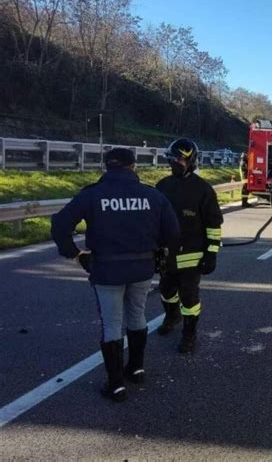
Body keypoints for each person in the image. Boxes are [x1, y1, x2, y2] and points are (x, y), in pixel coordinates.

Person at [51, 148, 180, 402]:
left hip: (107, 270)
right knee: (137, 315)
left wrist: (76, 254)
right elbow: (173, 232)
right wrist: (155, 248)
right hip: (142, 268)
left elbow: (59, 225)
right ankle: (137, 367)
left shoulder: (92, 195)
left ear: (107, 167)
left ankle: (116, 383)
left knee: (112, 323)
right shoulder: (151, 195)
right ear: (133, 167)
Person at [155, 138, 223, 354]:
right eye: (171, 159)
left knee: (189, 297)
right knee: (166, 290)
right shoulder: (163, 186)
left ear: (190, 161)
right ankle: (171, 315)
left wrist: (211, 254)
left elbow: (213, 224)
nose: (174, 163)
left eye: (178, 160)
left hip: (193, 256)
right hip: (167, 254)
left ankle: (189, 334)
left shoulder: (203, 190)